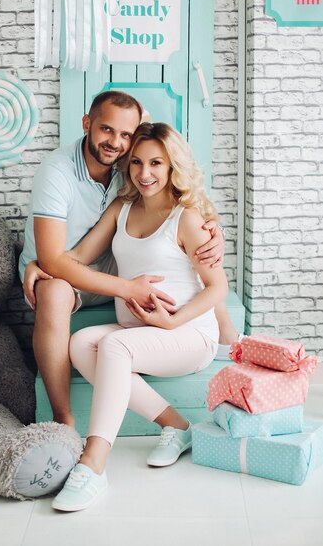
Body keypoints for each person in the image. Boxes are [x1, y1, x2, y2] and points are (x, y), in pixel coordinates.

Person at [19, 91, 235, 429]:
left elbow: (176, 183)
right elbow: (59, 259)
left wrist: (214, 230)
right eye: (106, 130)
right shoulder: (58, 171)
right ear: (87, 124)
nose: (115, 142)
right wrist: (44, 264)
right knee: (59, 296)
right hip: (69, 269)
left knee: (203, 269)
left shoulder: (130, 164)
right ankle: (64, 419)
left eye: (125, 136)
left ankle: (228, 338)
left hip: (113, 265)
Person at [43, 122, 229, 511]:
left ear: (172, 166)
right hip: (140, 333)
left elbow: (217, 288)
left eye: (156, 163)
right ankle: (177, 427)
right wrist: (38, 268)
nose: (145, 174)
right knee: (80, 343)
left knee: (113, 345)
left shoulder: (187, 218)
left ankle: (93, 464)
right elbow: (74, 258)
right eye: (137, 163)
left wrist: (173, 321)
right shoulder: (121, 209)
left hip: (188, 335)